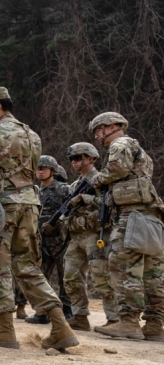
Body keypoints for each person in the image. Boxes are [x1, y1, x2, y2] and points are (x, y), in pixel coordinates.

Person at [0, 87, 78, 350]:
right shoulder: (32, 134)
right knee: (28, 265)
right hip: (30, 204)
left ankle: (5, 329)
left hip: (0, 206)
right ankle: (60, 325)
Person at [88, 113, 164, 341]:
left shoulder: (119, 144)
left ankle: (128, 322)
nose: (97, 136)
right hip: (151, 216)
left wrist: (97, 180)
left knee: (122, 265)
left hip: (131, 216)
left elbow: (118, 170)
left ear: (111, 127)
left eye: (98, 131)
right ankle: (155, 325)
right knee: (153, 273)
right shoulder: (140, 150)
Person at [45, 142, 118, 332]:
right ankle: (79, 316)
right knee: (70, 277)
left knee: (102, 278)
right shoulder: (75, 185)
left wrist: (87, 199)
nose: (74, 162)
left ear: (91, 158)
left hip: (96, 234)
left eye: (78, 158)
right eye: (72, 159)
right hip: (76, 237)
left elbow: (111, 202)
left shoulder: (102, 180)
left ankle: (114, 319)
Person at [25, 155, 71, 324]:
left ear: (53, 171)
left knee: (65, 277)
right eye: (38, 168)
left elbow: (72, 213)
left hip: (62, 241)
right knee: (41, 277)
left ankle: (67, 310)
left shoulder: (64, 189)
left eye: (44, 168)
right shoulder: (36, 192)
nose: (40, 171)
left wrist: (59, 223)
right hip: (42, 242)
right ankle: (42, 312)